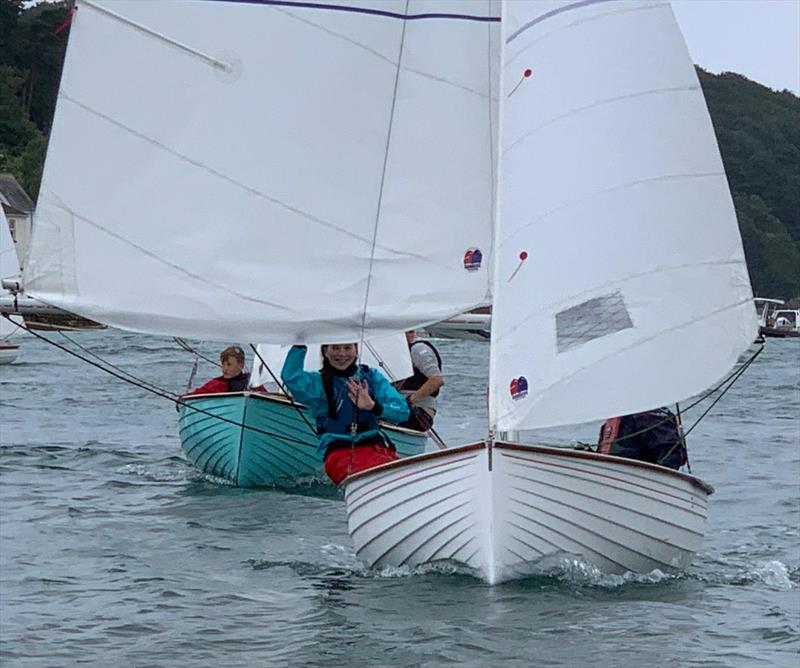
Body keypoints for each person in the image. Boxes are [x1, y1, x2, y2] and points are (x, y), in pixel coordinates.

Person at [281, 343, 409, 484]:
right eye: (335, 348)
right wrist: (300, 343)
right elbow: (290, 377)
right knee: (379, 477)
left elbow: (403, 412)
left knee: (405, 478)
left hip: (377, 449)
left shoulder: (372, 377)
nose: (342, 354)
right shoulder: (317, 384)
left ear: (356, 351)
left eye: (348, 348)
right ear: (325, 352)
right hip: (339, 455)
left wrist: (373, 406)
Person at [597, 407, 687, 470]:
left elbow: (672, 452)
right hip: (616, 480)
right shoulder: (613, 422)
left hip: (641, 484)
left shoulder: (647, 415)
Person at [393, 331, 444, 432]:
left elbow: (437, 380)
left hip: (419, 411)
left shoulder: (418, 349)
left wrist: (410, 400)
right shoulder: (399, 352)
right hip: (400, 407)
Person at [185, 345, 259, 395]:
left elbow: (266, 395)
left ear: (241, 365)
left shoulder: (252, 383)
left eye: (229, 364)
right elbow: (193, 395)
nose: (225, 368)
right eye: (223, 364)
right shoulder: (217, 384)